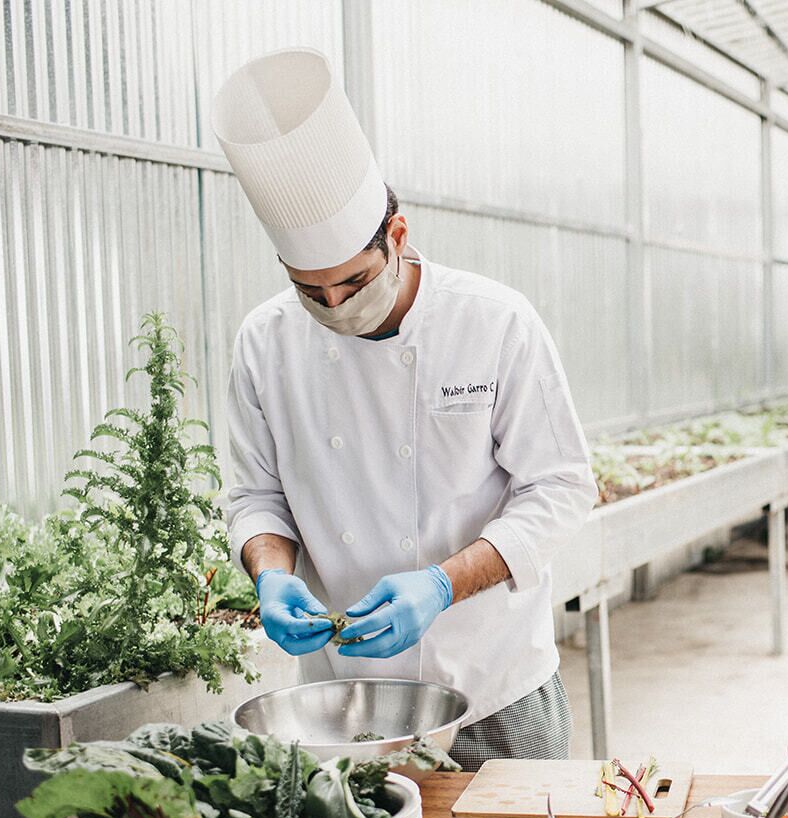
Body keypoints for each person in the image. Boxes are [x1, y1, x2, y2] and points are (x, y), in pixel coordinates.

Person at [212, 48, 595, 769]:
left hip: (494, 684)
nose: (335, 306)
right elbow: (256, 496)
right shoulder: (264, 343)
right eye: (310, 291)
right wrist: (270, 575)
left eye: (353, 283)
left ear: (397, 236)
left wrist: (442, 584)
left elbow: (563, 486)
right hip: (344, 697)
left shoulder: (494, 323)